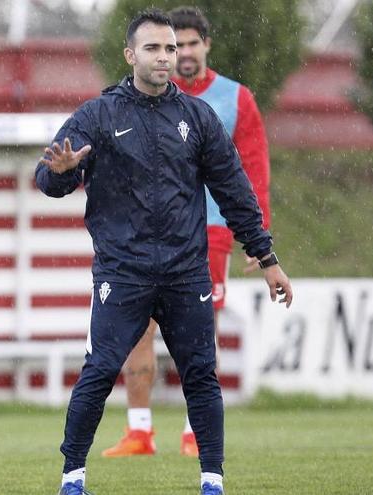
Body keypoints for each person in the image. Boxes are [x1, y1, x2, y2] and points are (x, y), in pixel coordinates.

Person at [36, 9, 293, 495]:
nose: (165, 57)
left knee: (201, 374)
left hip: (185, 272)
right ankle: (72, 476)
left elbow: (236, 192)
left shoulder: (198, 118)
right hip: (123, 271)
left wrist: (268, 258)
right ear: (131, 55)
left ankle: (212, 480)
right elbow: (48, 178)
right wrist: (64, 172)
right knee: (100, 369)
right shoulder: (98, 114)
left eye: (171, 49)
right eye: (153, 48)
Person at [100, 5, 272, 460]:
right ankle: (140, 430)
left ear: (204, 46)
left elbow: (251, 169)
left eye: (192, 44)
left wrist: (259, 233)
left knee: (200, 331)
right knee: (137, 329)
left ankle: (196, 431)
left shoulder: (235, 99)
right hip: (140, 233)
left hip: (209, 231)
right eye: (177, 44)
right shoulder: (137, 98)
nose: (184, 53)